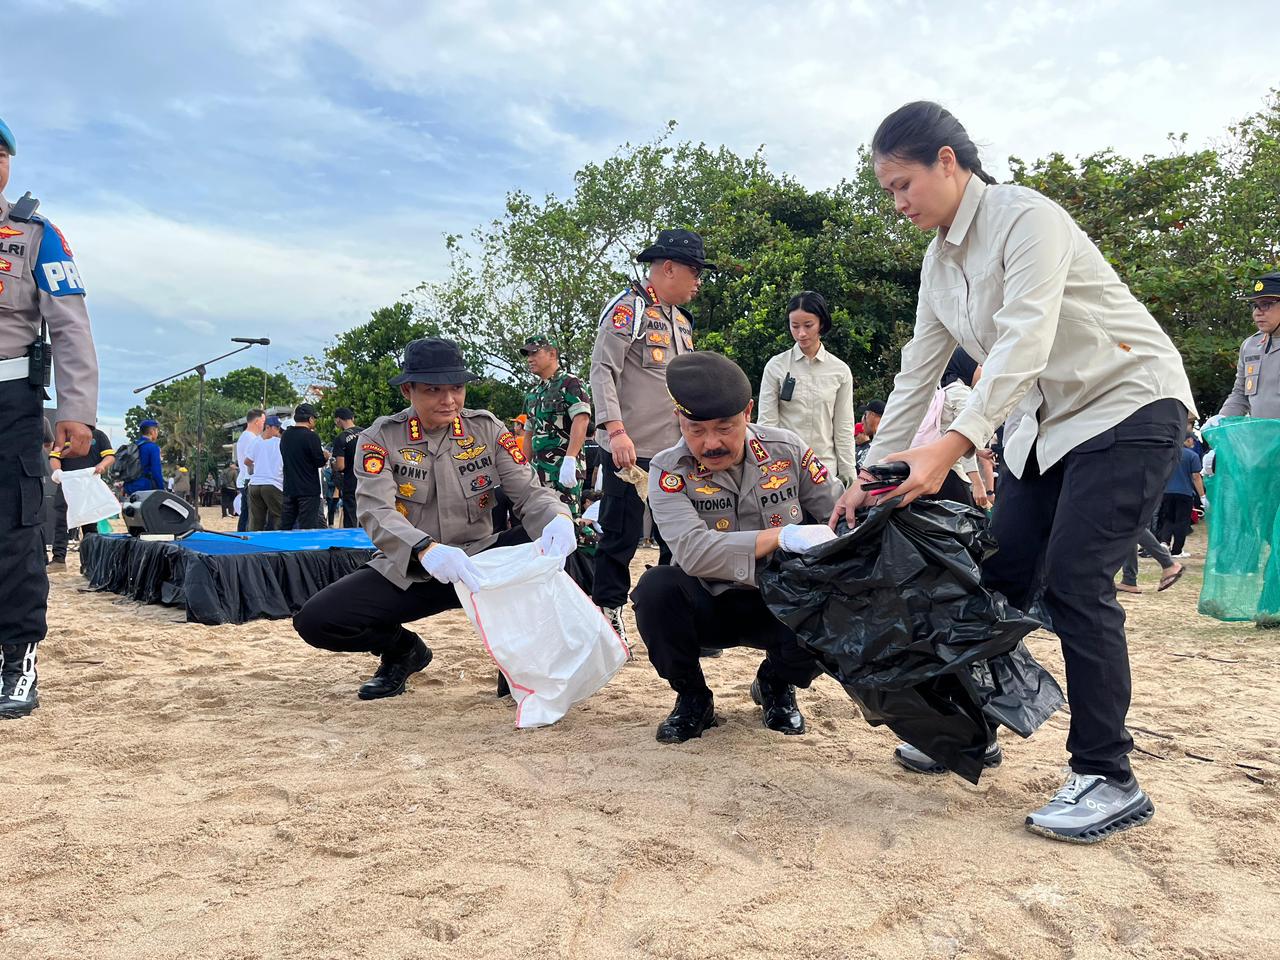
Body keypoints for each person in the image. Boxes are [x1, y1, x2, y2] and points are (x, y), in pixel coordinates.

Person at [831, 101, 1195, 844]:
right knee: (991, 584)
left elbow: (1026, 337)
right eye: (887, 192)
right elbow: (916, 374)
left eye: (903, 185)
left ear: (947, 160)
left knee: (1075, 584)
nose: (897, 204)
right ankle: (971, 733)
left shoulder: (1028, 218)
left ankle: (1107, 775)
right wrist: (868, 474)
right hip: (1043, 430)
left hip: (1126, 403)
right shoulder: (939, 265)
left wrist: (954, 445)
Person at [292, 338, 576, 700]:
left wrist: (557, 518)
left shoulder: (486, 429)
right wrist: (424, 548)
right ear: (409, 389)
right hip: (416, 566)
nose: (449, 400)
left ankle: (519, 661)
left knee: (563, 552)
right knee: (318, 619)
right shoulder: (380, 438)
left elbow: (529, 492)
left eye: (456, 388)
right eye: (433, 390)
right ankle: (402, 651)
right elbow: (375, 511)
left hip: (482, 560)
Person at [633, 352, 843, 743]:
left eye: (725, 428)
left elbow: (838, 517)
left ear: (747, 412)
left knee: (838, 597)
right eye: (695, 430)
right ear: (678, 418)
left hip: (781, 601)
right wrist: (782, 537)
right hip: (709, 601)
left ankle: (776, 683)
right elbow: (694, 552)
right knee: (655, 591)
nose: (710, 443)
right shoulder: (667, 470)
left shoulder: (787, 450)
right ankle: (693, 698)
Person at [0, 115, 100, 719]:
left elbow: (69, 325)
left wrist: (76, 409)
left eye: (1, 153)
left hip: (8, 405)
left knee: (14, 530)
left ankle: (16, 657)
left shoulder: (36, 236)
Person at [589, 229, 711, 640]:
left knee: (677, 533)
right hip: (630, 446)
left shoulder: (680, 320)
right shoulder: (629, 310)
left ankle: (676, 611)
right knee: (620, 532)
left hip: (673, 449)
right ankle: (608, 611)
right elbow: (603, 371)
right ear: (669, 267)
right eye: (694, 272)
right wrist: (614, 429)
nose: (698, 282)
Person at [757, 291, 857, 485]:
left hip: (826, 470)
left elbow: (843, 427)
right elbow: (767, 424)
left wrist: (849, 474)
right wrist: (768, 468)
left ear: (821, 323)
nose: (801, 333)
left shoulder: (840, 371)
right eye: (795, 326)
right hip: (785, 470)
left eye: (808, 325)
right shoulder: (776, 366)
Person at [519, 334, 592, 518]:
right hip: (539, 473)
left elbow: (581, 419)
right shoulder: (534, 393)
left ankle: (589, 546)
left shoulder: (569, 383)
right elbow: (529, 433)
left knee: (567, 522)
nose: (529, 359)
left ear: (552, 354)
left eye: (534, 353)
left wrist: (570, 459)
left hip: (563, 470)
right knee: (541, 524)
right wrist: (524, 468)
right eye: (527, 355)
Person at [48, 427, 115, 567]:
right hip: (67, 484)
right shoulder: (63, 436)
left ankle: (90, 562)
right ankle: (58, 558)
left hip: (88, 484)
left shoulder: (99, 436)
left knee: (89, 523)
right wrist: (58, 471)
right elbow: (54, 457)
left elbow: (109, 456)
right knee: (61, 522)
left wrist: (101, 466)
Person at [1218, 272, 1280, 420]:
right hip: (1261, 440)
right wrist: (1222, 419)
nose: (1257, 313)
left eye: (1265, 305)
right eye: (1255, 306)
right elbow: (1240, 394)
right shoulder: (1250, 346)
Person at [279, 403, 328, 530]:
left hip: (290, 488)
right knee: (307, 526)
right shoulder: (311, 436)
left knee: (286, 525)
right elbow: (319, 462)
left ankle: (284, 549)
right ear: (310, 419)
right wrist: (326, 456)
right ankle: (307, 550)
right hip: (308, 490)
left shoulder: (285, 436)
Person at [1157, 436, 1205, 558]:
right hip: (1185, 492)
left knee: (1168, 518)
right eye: (1192, 440)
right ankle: (1177, 550)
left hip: (1167, 492)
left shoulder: (1167, 454)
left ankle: (1164, 542)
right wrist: (1202, 495)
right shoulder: (1192, 455)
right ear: (1188, 440)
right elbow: (1196, 476)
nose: (1193, 443)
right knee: (1181, 521)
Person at [245, 416, 284, 531]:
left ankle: (253, 545)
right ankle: (279, 544)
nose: (278, 431)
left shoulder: (255, 441)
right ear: (268, 427)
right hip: (273, 484)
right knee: (279, 516)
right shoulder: (279, 443)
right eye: (276, 428)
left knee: (256, 520)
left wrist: (255, 468)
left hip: (255, 484)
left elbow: (247, 461)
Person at [330, 407, 361, 527]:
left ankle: (352, 545)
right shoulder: (367, 433)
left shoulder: (341, 438)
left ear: (338, 420)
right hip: (368, 480)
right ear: (352, 418)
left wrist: (333, 465)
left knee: (351, 517)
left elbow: (341, 466)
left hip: (351, 482)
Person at [235, 409, 265, 532]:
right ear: (257, 421)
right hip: (249, 480)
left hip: (245, 479)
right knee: (249, 516)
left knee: (246, 514)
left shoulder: (246, 436)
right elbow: (252, 461)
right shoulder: (251, 438)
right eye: (263, 421)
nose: (264, 425)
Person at [123, 420, 164, 496]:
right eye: (157, 431)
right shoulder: (153, 447)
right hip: (145, 487)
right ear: (152, 431)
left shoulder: (133, 446)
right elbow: (156, 472)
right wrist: (162, 490)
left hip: (128, 487)